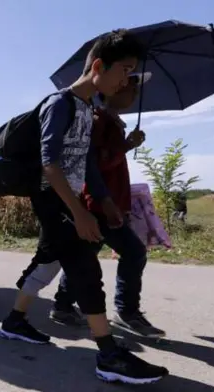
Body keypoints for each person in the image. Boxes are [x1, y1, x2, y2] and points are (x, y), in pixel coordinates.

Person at [0, 30, 168, 384]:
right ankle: (108, 354)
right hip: (54, 198)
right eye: (125, 70)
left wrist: (104, 200)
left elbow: (89, 162)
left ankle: (15, 320)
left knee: (47, 262)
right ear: (99, 66)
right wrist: (78, 211)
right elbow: (50, 163)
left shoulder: (88, 110)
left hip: (69, 198)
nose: (126, 80)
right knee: (84, 267)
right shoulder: (59, 104)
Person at [48, 74, 165, 338]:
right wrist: (125, 147)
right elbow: (94, 165)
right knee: (134, 252)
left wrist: (126, 144)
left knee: (85, 255)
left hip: (106, 203)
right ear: (112, 88)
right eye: (130, 86)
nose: (134, 94)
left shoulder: (111, 121)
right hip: (100, 204)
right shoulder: (100, 121)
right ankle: (125, 311)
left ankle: (63, 306)